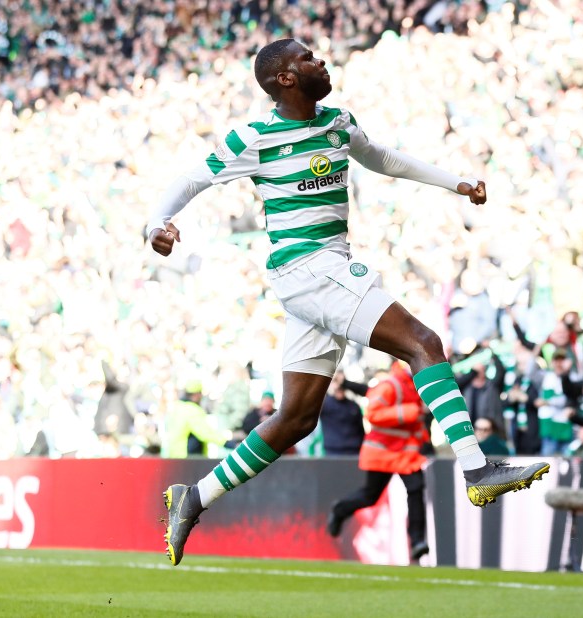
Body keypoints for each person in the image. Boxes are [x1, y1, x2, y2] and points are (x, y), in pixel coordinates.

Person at [149, 39, 549, 566]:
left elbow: (381, 158)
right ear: (285, 78)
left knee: (294, 420)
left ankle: (193, 497)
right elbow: (190, 178)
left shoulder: (337, 122)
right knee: (423, 343)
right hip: (310, 269)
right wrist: (158, 222)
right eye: (308, 57)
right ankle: (476, 468)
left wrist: (456, 184)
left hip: (317, 277)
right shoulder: (254, 137)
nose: (321, 61)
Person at [327, 361, 430, 560]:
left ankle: (417, 541)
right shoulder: (392, 385)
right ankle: (340, 509)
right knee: (370, 496)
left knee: (416, 490)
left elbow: (369, 391)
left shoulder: (411, 387)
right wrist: (411, 412)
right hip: (383, 452)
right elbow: (373, 413)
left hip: (405, 454)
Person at [320, 372, 365, 456]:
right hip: (333, 451)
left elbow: (360, 429)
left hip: (354, 450)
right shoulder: (325, 404)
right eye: (335, 381)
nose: (339, 387)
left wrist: (344, 382)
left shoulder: (353, 406)